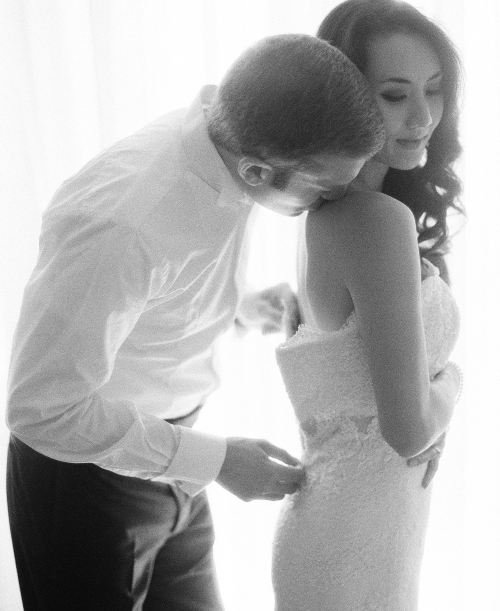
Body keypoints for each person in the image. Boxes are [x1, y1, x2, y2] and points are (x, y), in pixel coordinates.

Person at [6, 33, 385, 611]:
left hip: (176, 455)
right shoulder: (120, 225)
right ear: (257, 172)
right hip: (85, 483)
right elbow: (42, 409)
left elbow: (161, 280)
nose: (336, 201)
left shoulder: (231, 141)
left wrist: (239, 305)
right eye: (326, 190)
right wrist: (217, 461)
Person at [272, 0, 465, 610]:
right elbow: (407, 433)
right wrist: (454, 383)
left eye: (434, 90)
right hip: (355, 535)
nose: (423, 116)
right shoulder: (376, 221)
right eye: (395, 95)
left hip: (358, 522)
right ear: (345, 101)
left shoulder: (321, 213)